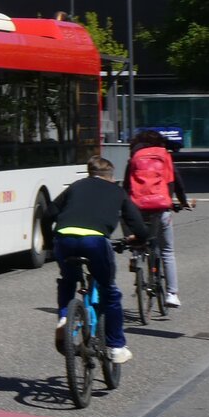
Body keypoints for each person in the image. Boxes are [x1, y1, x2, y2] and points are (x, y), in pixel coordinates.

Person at [49, 155, 148, 363]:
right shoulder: (118, 191)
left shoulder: (76, 186)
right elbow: (137, 224)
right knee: (109, 291)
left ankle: (65, 316)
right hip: (94, 241)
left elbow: (49, 212)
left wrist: (50, 241)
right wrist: (140, 239)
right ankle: (116, 346)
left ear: (90, 173)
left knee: (68, 280)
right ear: (111, 177)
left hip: (64, 238)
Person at [124, 129, 192, 307]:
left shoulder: (135, 157)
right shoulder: (165, 156)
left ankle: (135, 253)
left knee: (137, 236)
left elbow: (126, 186)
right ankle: (172, 294)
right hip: (161, 208)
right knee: (167, 251)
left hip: (138, 209)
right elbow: (175, 181)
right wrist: (182, 202)